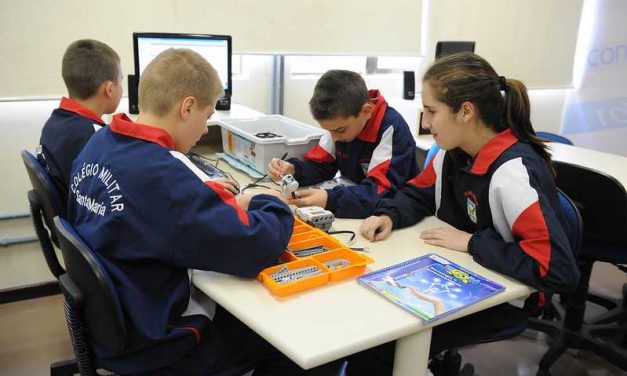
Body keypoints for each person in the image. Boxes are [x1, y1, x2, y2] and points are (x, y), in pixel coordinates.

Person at [67, 48, 305, 376]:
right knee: (287, 340)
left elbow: (147, 214)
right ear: (187, 107)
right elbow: (257, 247)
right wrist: (272, 202)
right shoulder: (166, 176)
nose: (205, 129)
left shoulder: (98, 145)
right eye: (206, 117)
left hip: (116, 328)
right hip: (161, 346)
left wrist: (209, 200)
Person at [351, 52, 580, 374]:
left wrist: (472, 243)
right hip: (458, 271)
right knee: (368, 317)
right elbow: (417, 193)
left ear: (466, 112)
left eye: (431, 111)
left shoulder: (514, 172)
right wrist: (390, 214)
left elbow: (557, 271)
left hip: (505, 299)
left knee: (378, 345)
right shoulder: (453, 153)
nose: (425, 123)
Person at [267, 70, 419, 219]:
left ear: (366, 112)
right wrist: (293, 170)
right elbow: (321, 165)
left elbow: (380, 192)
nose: (334, 138)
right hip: (358, 205)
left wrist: (330, 199)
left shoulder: (391, 129)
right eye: (328, 130)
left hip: (396, 216)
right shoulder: (339, 126)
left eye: (340, 130)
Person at [38, 39, 123, 203]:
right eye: (121, 79)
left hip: (69, 217)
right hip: (86, 221)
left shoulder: (54, 122)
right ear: (109, 89)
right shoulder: (97, 140)